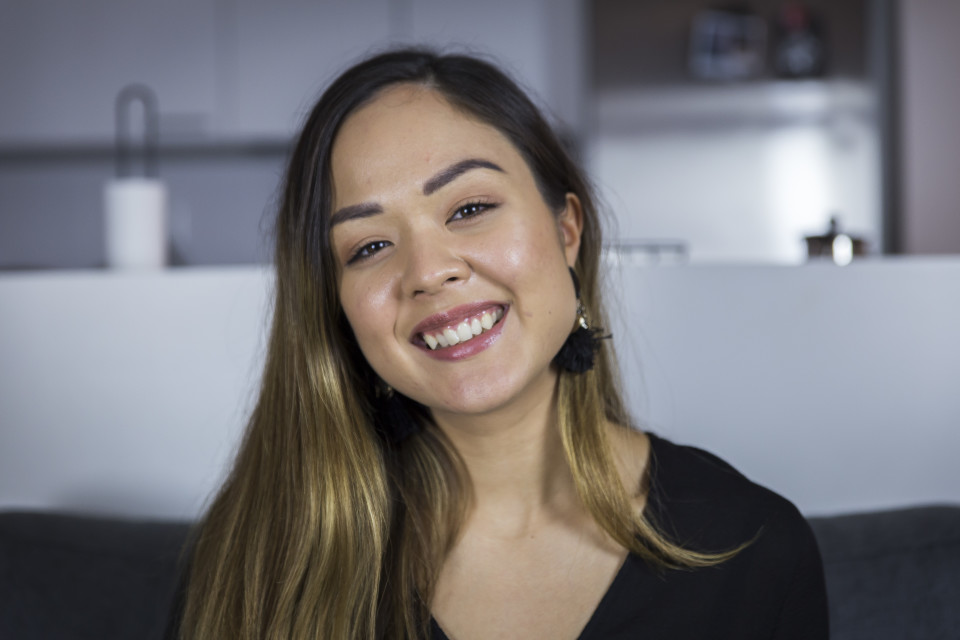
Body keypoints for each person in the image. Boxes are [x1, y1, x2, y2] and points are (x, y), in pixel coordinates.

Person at [170, 49, 828, 639]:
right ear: (336, 307)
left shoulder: (752, 545)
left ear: (567, 230)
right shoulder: (255, 559)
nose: (428, 271)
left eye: (469, 209)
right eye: (369, 246)